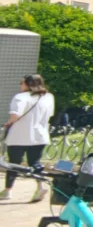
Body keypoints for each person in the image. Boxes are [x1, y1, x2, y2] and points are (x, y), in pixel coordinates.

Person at [2, 74, 55, 202]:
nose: (21, 85)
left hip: (19, 136)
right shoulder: (48, 97)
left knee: (14, 163)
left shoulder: (20, 97)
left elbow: (15, 115)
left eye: (22, 83)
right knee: (35, 163)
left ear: (28, 84)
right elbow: (50, 114)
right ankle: (40, 186)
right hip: (39, 135)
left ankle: (8, 191)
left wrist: (8, 124)